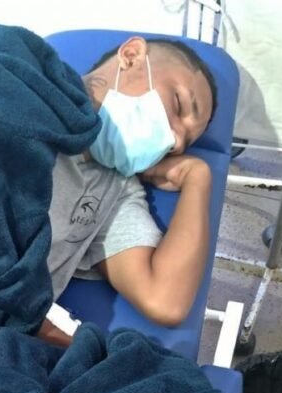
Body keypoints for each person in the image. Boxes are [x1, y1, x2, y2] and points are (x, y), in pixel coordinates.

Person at [37, 36, 217, 347]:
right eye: (178, 104)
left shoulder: (115, 192)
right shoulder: (26, 85)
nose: (175, 140)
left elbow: (165, 301)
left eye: (184, 143)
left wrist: (197, 179)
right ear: (131, 56)